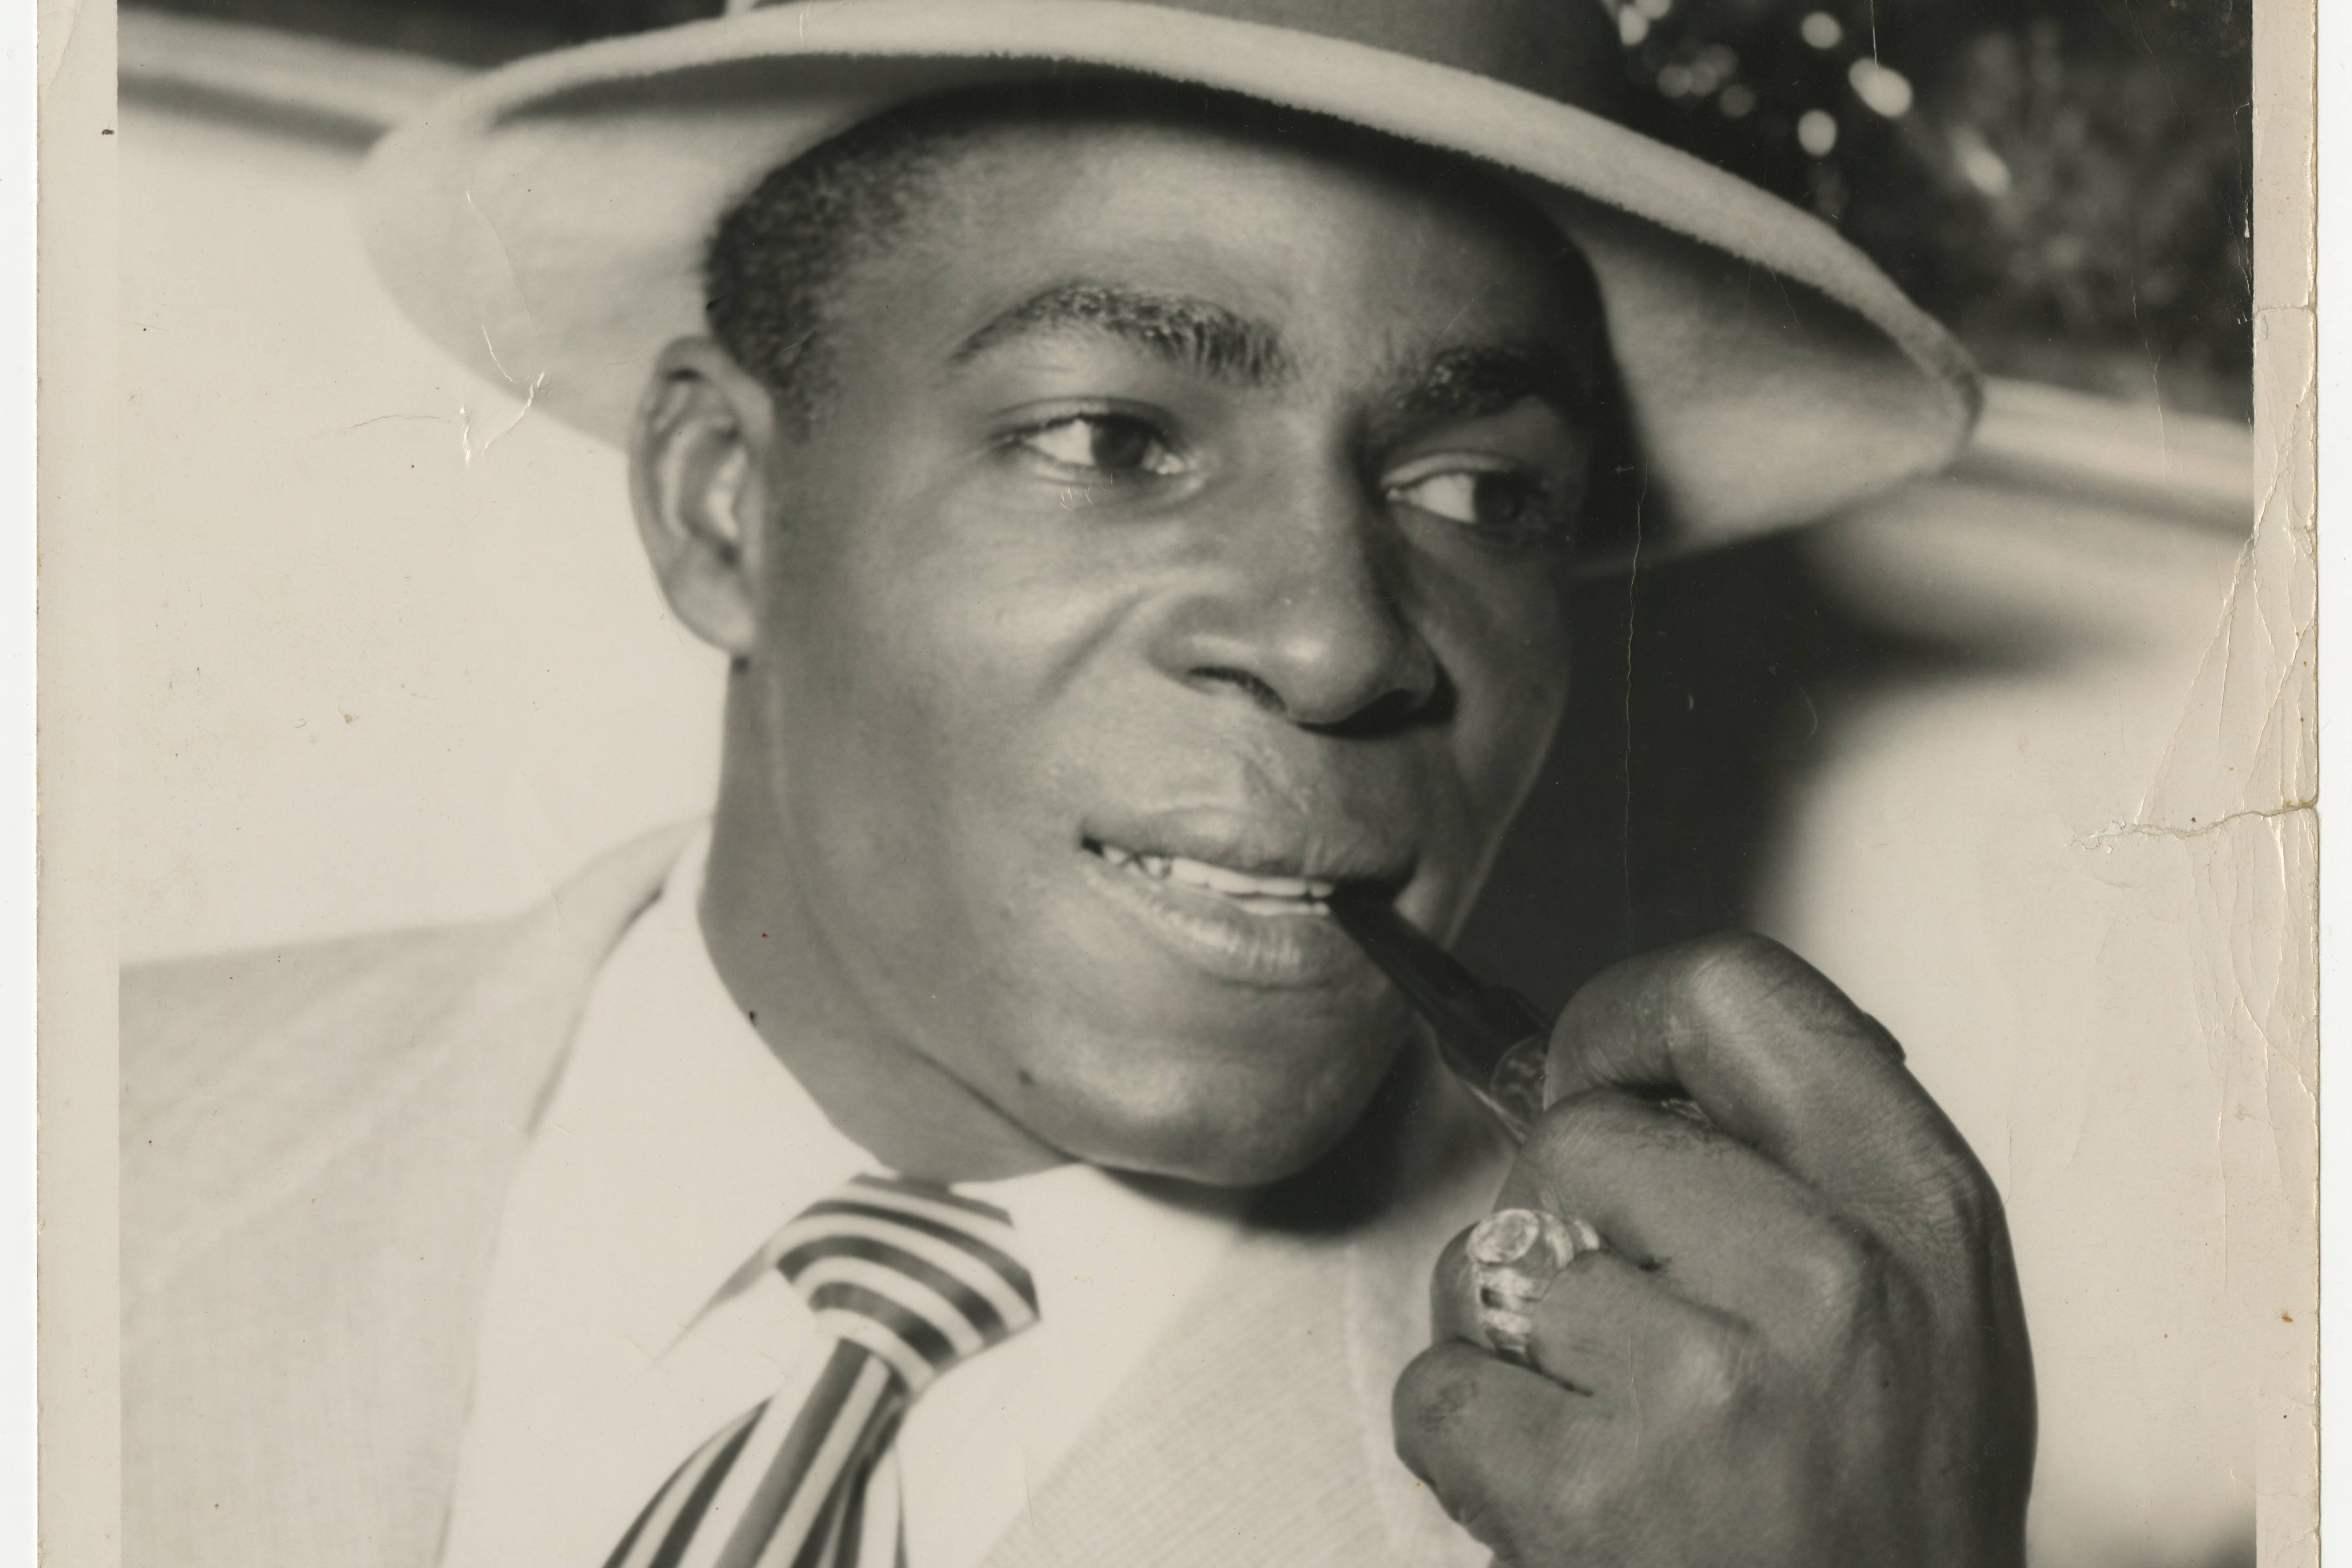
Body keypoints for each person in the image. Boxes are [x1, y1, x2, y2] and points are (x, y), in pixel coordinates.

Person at [123, 1, 2035, 1564]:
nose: (1340, 641)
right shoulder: (106, 1143)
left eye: (1477, 493)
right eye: (1112, 440)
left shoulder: (1727, 1497)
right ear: (724, 506)